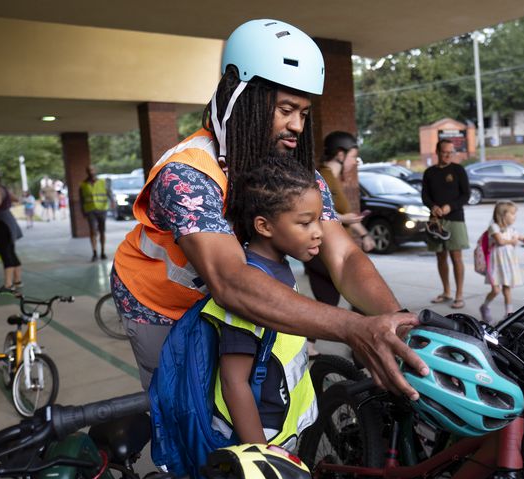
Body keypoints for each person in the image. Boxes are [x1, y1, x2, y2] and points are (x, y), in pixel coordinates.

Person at [111, 18, 426, 397]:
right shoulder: (187, 174)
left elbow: (342, 257)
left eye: (304, 113)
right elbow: (230, 281)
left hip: (233, 297)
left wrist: (395, 322)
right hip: (161, 309)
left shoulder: (293, 172)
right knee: (188, 412)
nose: (297, 125)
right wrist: (350, 326)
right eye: (286, 109)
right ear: (242, 100)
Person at [209, 156, 319, 449]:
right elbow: (234, 383)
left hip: (283, 422)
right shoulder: (251, 284)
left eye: (318, 220)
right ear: (264, 226)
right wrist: (261, 457)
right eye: (306, 223)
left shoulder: (280, 265)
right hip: (263, 433)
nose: (318, 232)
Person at [303, 131, 374, 355]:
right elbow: (320, 212)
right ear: (340, 154)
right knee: (360, 294)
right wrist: (346, 221)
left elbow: (342, 213)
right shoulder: (321, 178)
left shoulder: (331, 178)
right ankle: (364, 345)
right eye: (353, 156)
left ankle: (308, 345)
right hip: (322, 248)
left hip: (326, 247)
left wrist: (363, 234)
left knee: (327, 299)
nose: (354, 162)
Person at [421, 139, 470, 309]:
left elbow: (466, 195)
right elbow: (424, 196)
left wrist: (451, 206)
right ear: (437, 152)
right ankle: (447, 291)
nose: (448, 155)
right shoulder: (429, 172)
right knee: (440, 256)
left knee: (456, 257)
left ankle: (459, 295)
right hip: (435, 220)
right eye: (445, 152)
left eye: (451, 152)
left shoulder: (458, 170)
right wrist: (432, 206)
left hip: (455, 219)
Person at [479, 201, 524, 323]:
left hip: (507, 264)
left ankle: (509, 315)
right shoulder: (494, 227)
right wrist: (512, 241)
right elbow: (500, 241)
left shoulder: (511, 229)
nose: (515, 217)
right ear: (503, 215)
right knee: (496, 290)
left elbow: (520, 236)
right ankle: (485, 306)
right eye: (513, 214)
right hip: (495, 264)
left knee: (507, 288)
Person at [79, 166, 112, 261]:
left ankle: (103, 252)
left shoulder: (102, 182)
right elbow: (81, 200)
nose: (91, 172)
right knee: (93, 231)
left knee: (102, 231)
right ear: (87, 172)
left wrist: (112, 203)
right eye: (89, 170)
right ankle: (94, 253)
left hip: (102, 209)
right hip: (90, 210)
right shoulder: (83, 185)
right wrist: (82, 211)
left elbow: (109, 193)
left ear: (95, 171)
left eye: (92, 170)